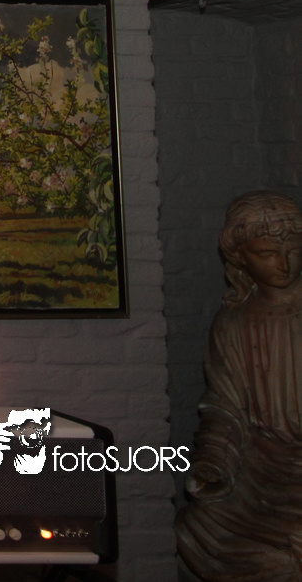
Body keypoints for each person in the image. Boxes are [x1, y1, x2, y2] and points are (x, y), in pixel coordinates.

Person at [177, 190, 302, 580]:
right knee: (197, 531)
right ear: (241, 257)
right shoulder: (233, 324)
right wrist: (215, 461)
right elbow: (225, 406)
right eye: (267, 253)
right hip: (261, 471)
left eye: (293, 250)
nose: (283, 263)